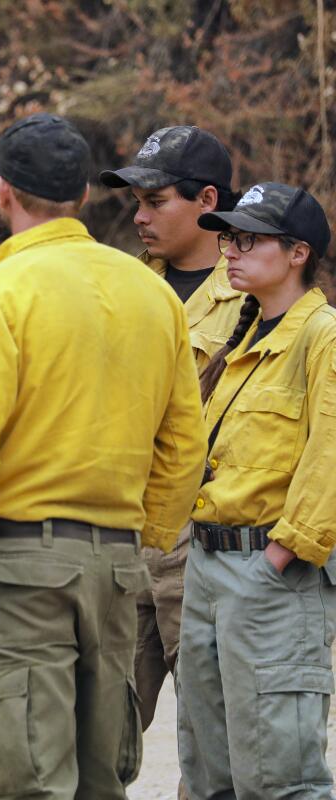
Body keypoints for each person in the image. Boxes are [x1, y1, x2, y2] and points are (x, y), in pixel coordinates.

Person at [0, 113, 206, 799]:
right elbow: (184, 444)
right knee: (100, 782)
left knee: (26, 779)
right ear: (84, 197)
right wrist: (149, 538)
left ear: (2, 192)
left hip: (19, 567)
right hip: (115, 566)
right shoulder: (152, 294)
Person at [177, 183, 336, 800]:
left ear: (297, 253)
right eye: (229, 239)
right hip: (210, 565)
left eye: (247, 240)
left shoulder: (321, 336)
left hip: (269, 572)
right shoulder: (244, 338)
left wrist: (283, 555)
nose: (231, 252)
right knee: (208, 767)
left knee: (280, 776)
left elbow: (329, 455)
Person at [99, 125, 245, 735]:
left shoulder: (255, 297)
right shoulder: (121, 286)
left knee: (212, 735)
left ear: (207, 202)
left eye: (155, 201)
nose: (139, 217)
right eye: (136, 202)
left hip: (204, 533)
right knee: (100, 729)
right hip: (120, 525)